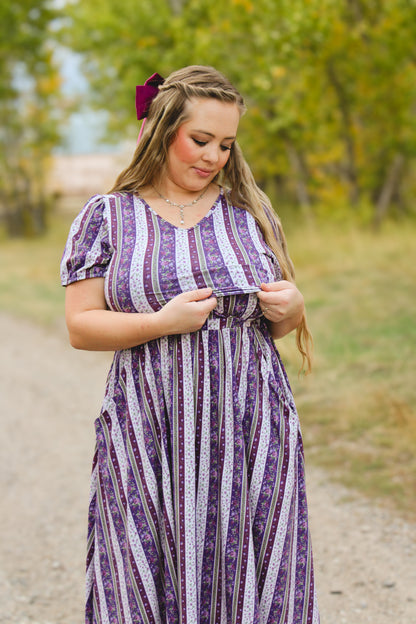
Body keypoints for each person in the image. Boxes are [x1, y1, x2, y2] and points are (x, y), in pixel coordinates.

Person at [60, 65, 319, 624]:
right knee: (142, 565)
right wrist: (162, 322)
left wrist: (292, 310)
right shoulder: (107, 218)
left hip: (250, 424)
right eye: (200, 140)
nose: (213, 157)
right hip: (150, 423)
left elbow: (268, 324)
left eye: (226, 145)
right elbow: (81, 326)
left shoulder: (248, 214)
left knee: (251, 567)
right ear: (160, 131)